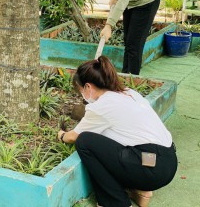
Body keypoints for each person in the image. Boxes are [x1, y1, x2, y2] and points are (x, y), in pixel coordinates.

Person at [57, 56, 177, 207]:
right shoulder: (128, 93)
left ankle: (116, 202)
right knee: (112, 143)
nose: (81, 95)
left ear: (88, 87)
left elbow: (72, 137)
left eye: (80, 90)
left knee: (85, 141)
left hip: (151, 170)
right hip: (165, 161)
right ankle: (140, 191)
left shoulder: (101, 106)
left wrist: (61, 135)